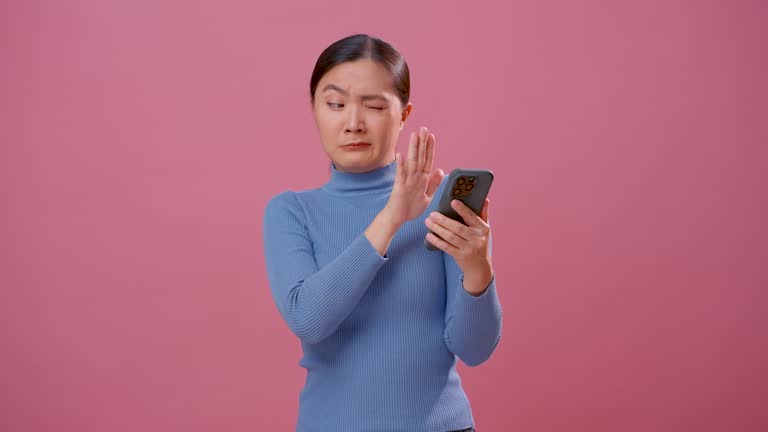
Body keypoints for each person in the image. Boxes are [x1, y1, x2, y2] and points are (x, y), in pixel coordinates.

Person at [262, 33, 501, 432]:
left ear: (404, 114)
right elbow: (308, 319)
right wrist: (393, 217)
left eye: (373, 106)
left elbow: (474, 350)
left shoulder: (443, 204)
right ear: (315, 110)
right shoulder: (291, 212)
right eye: (335, 104)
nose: (353, 123)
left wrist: (478, 271)